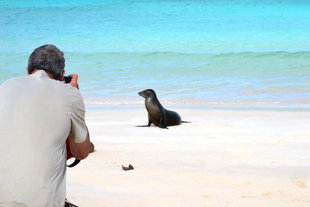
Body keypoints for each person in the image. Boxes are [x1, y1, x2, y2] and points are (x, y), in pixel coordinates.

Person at [0, 44, 91, 207]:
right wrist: (75, 94)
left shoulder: (5, 87)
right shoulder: (70, 94)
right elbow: (81, 152)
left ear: (27, 71)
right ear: (62, 75)